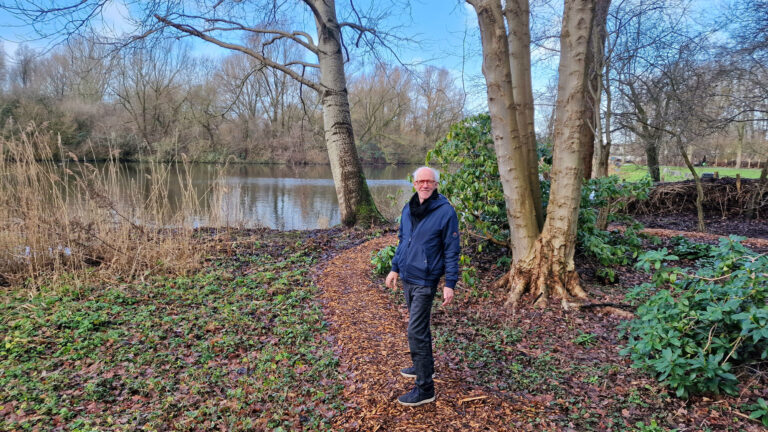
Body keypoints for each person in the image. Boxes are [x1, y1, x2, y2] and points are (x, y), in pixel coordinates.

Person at [385, 166, 460, 407]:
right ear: (414, 184)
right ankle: (423, 366)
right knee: (419, 329)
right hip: (408, 276)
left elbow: (451, 250)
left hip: (426, 281)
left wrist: (449, 283)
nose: (425, 185)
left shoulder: (446, 212)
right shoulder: (409, 208)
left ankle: (425, 388)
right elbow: (402, 241)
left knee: (415, 331)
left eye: (429, 181)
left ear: (436, 185)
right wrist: (395, 267)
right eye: (420, 181)